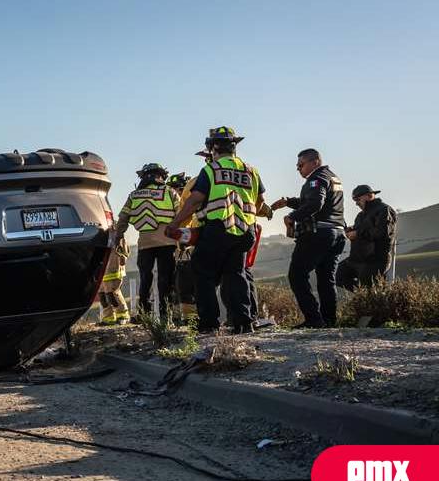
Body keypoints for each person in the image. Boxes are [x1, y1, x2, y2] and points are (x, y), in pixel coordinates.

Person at [165, 126, 265, 334]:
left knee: (202, 273)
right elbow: (260, 201)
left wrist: (175, 223)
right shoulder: (251, 171)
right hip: (246, 231)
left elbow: (195, 200)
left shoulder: (211, 170)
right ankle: (243, 323)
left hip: (218, 229)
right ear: (234, 147)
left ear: (212, 149)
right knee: (236, 275)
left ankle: (209, 325)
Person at [270, 148, 346, 327]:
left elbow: (315, 203)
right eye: (297, 166)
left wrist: (292, 217)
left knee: (297, 275)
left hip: (317, 234)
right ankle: (328, 320)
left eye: (301, 165)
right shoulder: (332, 177)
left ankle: (313, 319)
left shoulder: (316, 178)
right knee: (327, 279)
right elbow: (318, 201)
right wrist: (289, 201)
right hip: (337, 233)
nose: (298, 169)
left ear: (315, 162)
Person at [114, 163, 180, 319]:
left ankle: (144, 314)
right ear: (161, 175)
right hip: (168, 242)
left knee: (145, 278)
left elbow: (123, 217)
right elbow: (181, 214)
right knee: (166, 279)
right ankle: (166, 315)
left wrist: (119, 236)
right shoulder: (170, 191)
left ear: (143, 176)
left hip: (145, 243)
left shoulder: (134, 195)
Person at [337, 185, 397, 291]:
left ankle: (369, 298)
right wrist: (350, 233)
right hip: (356, 259)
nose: (356, 203)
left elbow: (382, 233)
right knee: (336, 275)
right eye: (354, 200)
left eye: (357, 199)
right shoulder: (360, 215)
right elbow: (360, 232)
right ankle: (364, 295)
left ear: (369, 196)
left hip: (375, 260)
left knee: (368, 289)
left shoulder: (384, 210)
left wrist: (357, 233)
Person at [98, 241, 131, 325]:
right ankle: (109, 318)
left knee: (111, 293)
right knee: (102, 295)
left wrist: (123, 257)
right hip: (101, 265)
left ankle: (123, 316)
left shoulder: (117, 234)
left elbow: (124, 249)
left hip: (113, 265)